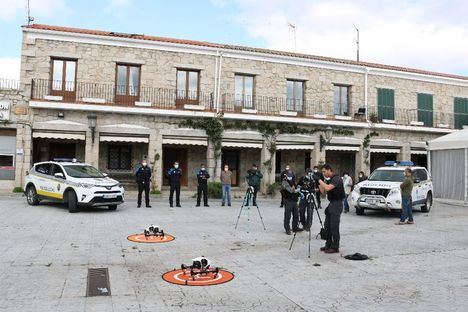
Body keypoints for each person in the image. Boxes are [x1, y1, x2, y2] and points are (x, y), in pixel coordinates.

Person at [318, 164, 345, 254]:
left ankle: (335, 246)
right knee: (327, 226)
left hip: (337, 203)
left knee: (334, 226)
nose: (323, 173)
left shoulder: (336, 179)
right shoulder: (328, 180)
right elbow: (323, 193)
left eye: (324, 171)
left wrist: (319, 180)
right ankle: (328, 244)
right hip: (331, 204)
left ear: (329, 170)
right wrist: (319, 182)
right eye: (322, 172)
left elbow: (328, 188)